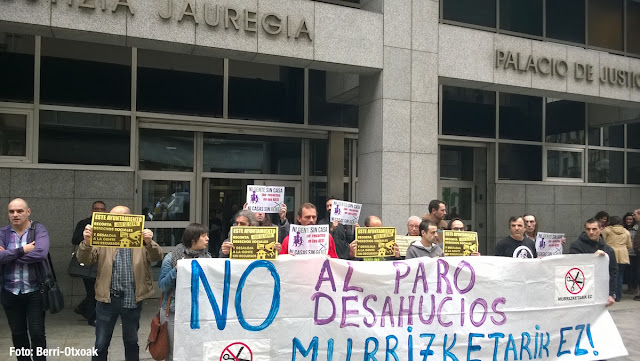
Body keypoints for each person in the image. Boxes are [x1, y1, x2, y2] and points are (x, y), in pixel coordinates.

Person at [77, 205, 163, 361]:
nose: (116, 222)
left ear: (130, 220)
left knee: (131, 341)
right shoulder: (103, 237)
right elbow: (85, 259)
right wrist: (87, 242)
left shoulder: (140, 239)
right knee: (101, 343)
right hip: (107, 299)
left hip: (132, 298)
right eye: (112, 218)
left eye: (121, 218)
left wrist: (149, 242)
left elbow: (157, 257)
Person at [0, 198, 49, 361]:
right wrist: (23, 250)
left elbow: (40, 254)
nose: (15, 215)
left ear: (28, 212)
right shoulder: (3, 233)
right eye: (11, 211)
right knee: (18, 334)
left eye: (19, 211)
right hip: (10, 291)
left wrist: (9, 255)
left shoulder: (38, 229)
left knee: (37, 333)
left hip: (35, 291)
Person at [158, 223, 212, 361]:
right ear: (193, 239)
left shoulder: (207, 258)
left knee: (195, 350)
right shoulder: (171, 258)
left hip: (197, 313)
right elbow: (162, 286)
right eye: (204, 236)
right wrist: (177, 270)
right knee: (174, 353)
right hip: (173, 312)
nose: (207, 239)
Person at [71, 200, 106, 326]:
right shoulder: (84, 223)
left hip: (104, 263)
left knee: (99, 291)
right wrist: (87, 237)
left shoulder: (109, 225)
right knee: (92, 292)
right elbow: (74, 240)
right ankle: (93, 318)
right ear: (92, 211)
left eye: (102, 209)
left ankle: (83, 308)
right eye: (96, 209)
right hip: (88, 264)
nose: (99, 211)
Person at [569, 218, 617, 306]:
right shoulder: (576, 246)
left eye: (594, 229)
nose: (591, 232)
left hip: (600, 292)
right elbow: (574, 268)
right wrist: (593, 258)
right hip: (581, 292)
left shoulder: (608, 249)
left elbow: (613, 272)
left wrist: (611, 294)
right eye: (588, 229)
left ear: (601, 229)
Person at [602, 216, 632, 301]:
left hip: (610, 254)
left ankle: (610, 294)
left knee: (609, 275)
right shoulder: (626, 231)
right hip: (623, 255)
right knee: (620, 275)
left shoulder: (607, 230)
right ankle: (618, 296)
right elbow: (629, 245)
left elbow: (602, 242)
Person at [623, 212, 637, 297]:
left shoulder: (636, 228)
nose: (628, 221)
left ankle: (634, 287)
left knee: (634, 271)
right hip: (626, 253)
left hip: (634, 253)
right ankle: (629, 287)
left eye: (630, 219)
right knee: (627, 271)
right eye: (627, 219)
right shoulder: (623, 229)